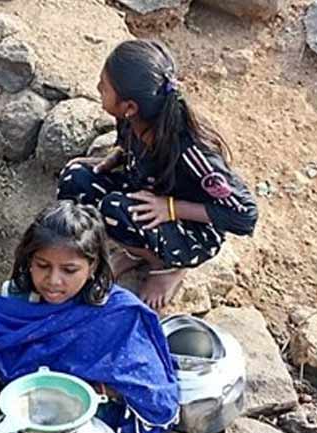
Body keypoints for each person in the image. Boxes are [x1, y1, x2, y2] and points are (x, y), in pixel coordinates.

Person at [0, 201, 180, 433]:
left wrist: (82, 392)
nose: (53, 281)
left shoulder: (117, 314)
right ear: (29, 262)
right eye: (43, 266)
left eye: (69, 270)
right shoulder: (17, 298)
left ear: (92, 266)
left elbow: (149, 387)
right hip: (18, 384)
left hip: (77, 405)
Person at [57, 39, 258, 310]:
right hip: (146, 191)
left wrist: (171, 208)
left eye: (104, 86)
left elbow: (245, 216)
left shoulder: (193, 152)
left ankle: (166, 266)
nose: (98, 89)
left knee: (113, 211)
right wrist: (117, 156)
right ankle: (135, 251)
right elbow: (126, 142)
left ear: (130, 106)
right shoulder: (132, 117)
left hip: (190, 229)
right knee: (75, 177)